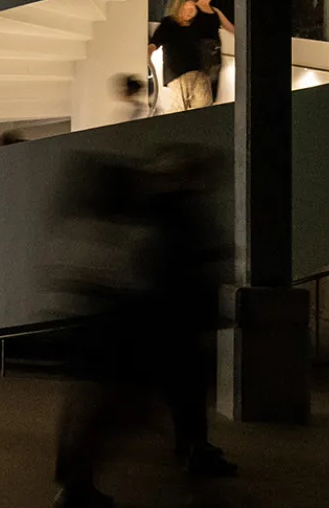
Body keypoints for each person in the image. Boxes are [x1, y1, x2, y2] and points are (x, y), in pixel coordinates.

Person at [49, 144, 237, 507]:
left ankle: (75, 481)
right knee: (128, 412)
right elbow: (143, 283)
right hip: (121, 339)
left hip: (98, 339)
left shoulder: (85, 225)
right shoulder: (135, 228)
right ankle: (78, 484)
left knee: (104, 411)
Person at [149, 0, 210, 112]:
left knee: (204, 107)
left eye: (192, 9)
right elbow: (156, 40)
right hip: (177, 75)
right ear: (179, 7)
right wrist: (149, 51)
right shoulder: (169, 23)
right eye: (186, 9)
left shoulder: (196, 25)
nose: (190, 12)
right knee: (179, 109)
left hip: (199, 74)